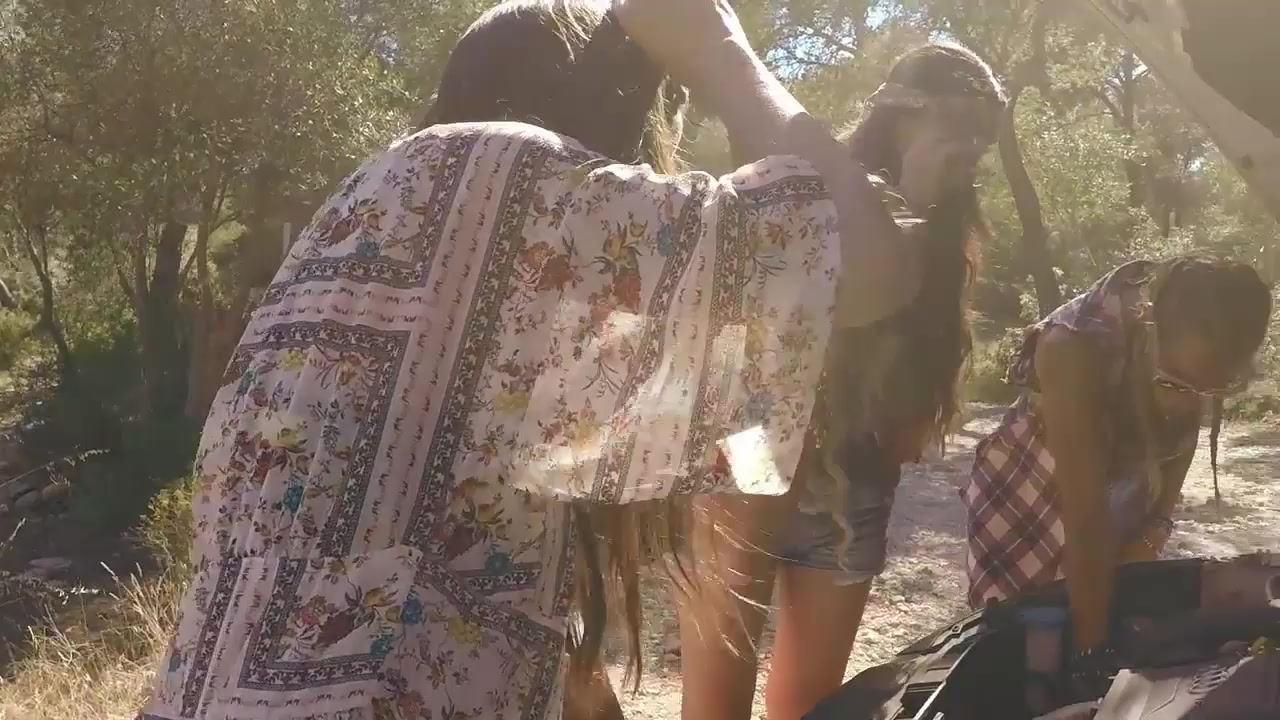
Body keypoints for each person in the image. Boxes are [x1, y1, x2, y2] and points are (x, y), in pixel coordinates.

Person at [134, 0, 932, 718]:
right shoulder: (500, 165)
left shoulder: (384, 219)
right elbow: (868, 266)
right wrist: (717, 47)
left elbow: (445, 574)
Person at [676, 43, 1007, 720]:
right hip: (749, 462)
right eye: (959, 126)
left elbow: (917, 380)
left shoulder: (947, 234)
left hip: (853, 483)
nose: (972, 150)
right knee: (716, 695)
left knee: (810, 706)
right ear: (903, 114)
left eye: (983, 137)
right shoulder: (810, 186)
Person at [964, 255, 1271, 704]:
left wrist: (1154, 527)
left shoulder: (1200, 337)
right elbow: (1085, 518)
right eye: (1177, 384)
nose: (1191, 404)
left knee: (1114, 603)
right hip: (1027, 493)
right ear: (1149, 325)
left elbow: (1183, 433)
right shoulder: (1072, 347)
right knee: (1030, 643)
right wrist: (1093, 660)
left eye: (1209, 389)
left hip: (1118, 477)